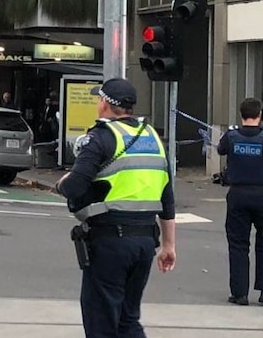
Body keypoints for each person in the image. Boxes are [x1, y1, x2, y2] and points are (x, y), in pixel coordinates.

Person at [55, 78, 176, 337]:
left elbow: (75, 186)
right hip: (145, 242)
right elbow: (167, 198)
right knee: (127, 319)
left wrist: (61, 184)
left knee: (101, 321)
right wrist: (169, 245)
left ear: (105, 104)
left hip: (110, 241)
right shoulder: (153, 137)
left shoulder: (100, 138)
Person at [217, 97, 263, 306]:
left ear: (241, 114)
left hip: (238, 194)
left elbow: (221, 150)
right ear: (260, 114)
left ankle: (239, 293)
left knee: (238, 244)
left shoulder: (231, 136)